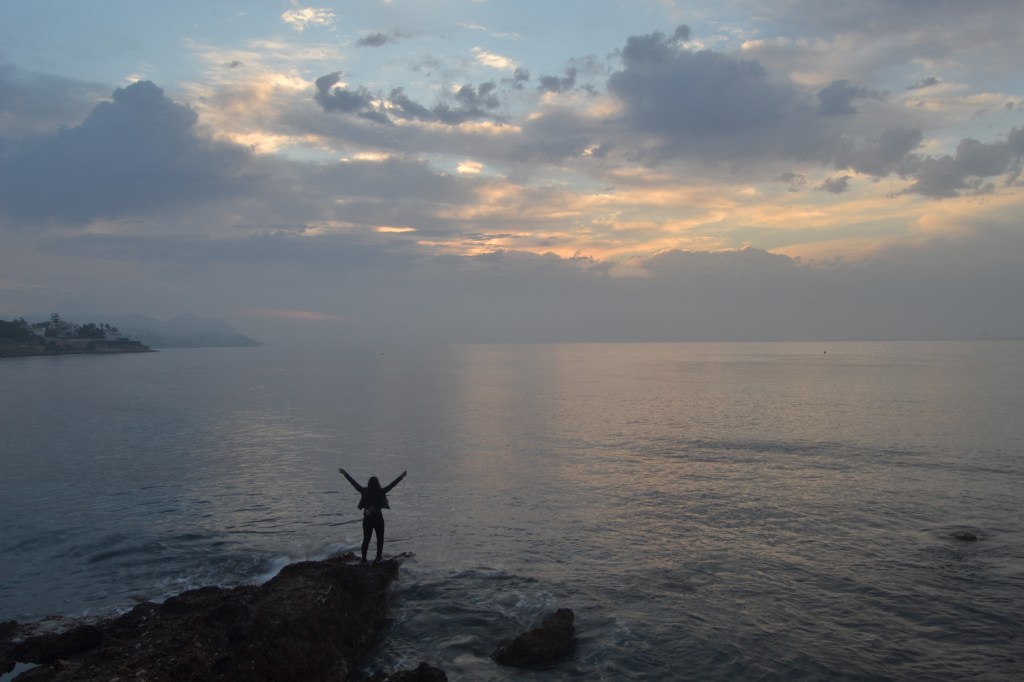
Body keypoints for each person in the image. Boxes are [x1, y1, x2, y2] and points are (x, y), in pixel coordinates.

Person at [338, 467, 407, 564]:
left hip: (367, 519)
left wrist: (345, 474)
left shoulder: (364, 491)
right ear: (378, 483)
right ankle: (378, 558)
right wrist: (401, 476)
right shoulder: (381, 491)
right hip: (378, 518)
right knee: (380, 539)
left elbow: (354, 483)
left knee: (366, 539)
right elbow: (392, 485)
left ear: (369, 483)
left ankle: (364, 559)